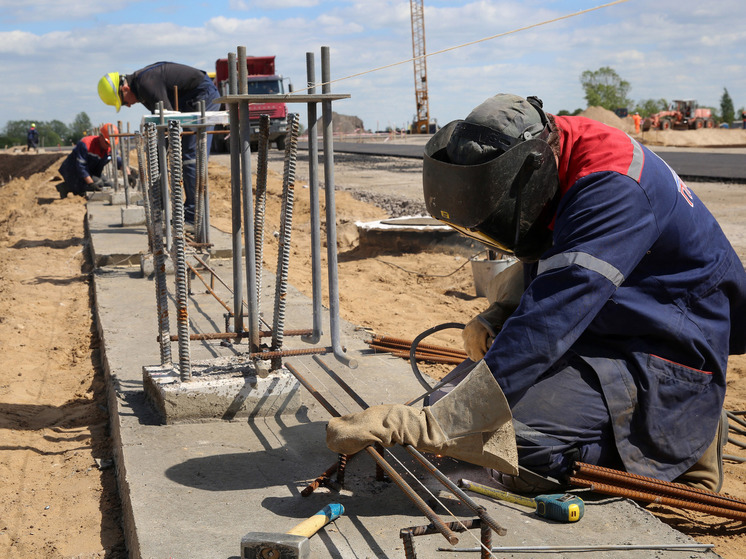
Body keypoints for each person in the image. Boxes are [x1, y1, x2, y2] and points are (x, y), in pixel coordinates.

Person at [326, 93, 746, 493]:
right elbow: (549, 252)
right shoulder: (554, 150)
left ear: (531, 169)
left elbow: (552, 318)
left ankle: (682, 437)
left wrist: (437, 426)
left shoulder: (613, 189)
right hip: (606, 326)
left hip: (665, 351)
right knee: (447, 404)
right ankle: (663, 425)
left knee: (512, 445)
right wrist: (501, 311)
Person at [97, 62, 221, 224]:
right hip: (188, 100)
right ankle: (158, 199)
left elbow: (170, 122)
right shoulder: (141, 88)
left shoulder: (146, 84)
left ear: (124, 89)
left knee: (191, 155)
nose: (127, 106)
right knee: (159, 151)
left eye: (123, 102)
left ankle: (193, 216)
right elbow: (165, 127)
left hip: (203, 95)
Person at [56, 124, 122, 198]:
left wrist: (129, 174)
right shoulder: (86, 144)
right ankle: (66, 187)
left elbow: (118, 160)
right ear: (100, 137)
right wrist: (91, 184)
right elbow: (81, 167)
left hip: (91, 171)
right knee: (97, 184)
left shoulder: (109, 148)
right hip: (73, 171)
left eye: (111, 143)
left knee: (110, 185)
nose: (109, 146)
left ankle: (82, 185)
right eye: (107, 143)